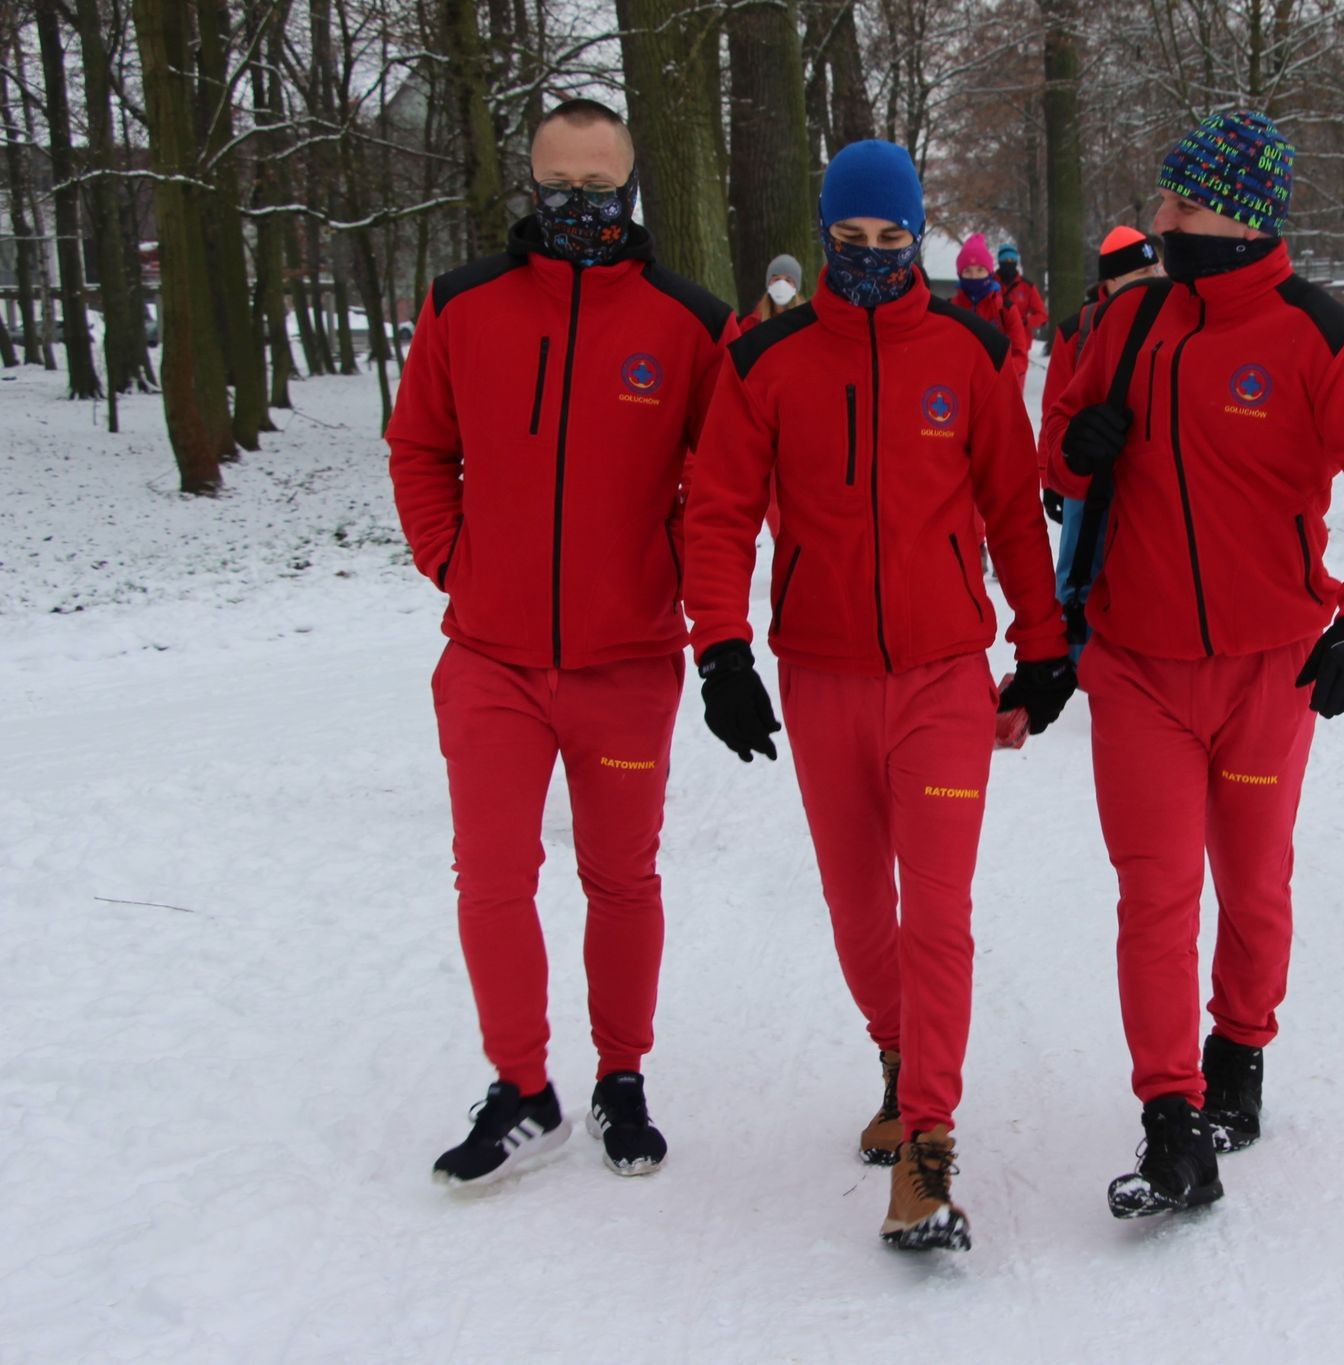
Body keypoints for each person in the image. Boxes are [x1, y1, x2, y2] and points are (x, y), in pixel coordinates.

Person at [683, 139, 1074, 1252]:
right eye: (846, 242)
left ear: (915, 239)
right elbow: (716, 513)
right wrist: (721, 652)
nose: (866, 259)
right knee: (860, 908)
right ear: (823, 237)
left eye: (888, 242)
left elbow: (1009, 509)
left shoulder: (966, 351)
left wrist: (1041, 652)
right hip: (821, 677)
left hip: (944, 675)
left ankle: (929, 1149)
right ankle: (898, 1064)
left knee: (935, 911)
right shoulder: (769, 361)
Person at [1043, 111, 1344, 1218]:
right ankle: (1170, 1117)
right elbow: (1057, 438)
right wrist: (1074, 451)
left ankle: (1239, 1057)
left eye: (1178, 201)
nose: (1157, 217)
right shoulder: (1130, 319)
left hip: (1268, 670)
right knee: (1153, 893)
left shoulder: (1319, 334)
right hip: (1137, 667)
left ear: (1238, 215)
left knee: (1251, 881)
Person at [387, 98, 738, 1188]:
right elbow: (417, 448)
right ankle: (521, 1088)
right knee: (491, 877)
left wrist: (666, 581)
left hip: (624, 661)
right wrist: (455, 562)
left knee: (621, 877)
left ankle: (620, 1074)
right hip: (489, 656)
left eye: (600, 186)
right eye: (559, 186)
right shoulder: (464, 304)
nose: (579, 205)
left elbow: (719, 487)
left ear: (632, 189)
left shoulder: (690, 321)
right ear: (529, 187)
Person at [1039, 226, 1163, 649]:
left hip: (1145, 476)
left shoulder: (1171, 319)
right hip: (1086, 477)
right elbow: (1055, 406)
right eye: (1140, 270)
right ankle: (1072, 651)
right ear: (1109, 283)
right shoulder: (1079, 330)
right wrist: (1051, 477)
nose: (1154, 275)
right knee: (1079, 566)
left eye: (1155, 265)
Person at [949, 232, 1031, 392]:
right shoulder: (950, 309)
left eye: (980, 270)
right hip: (959, 389)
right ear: (959, 274)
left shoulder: (1005, 309)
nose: (974, 276)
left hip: (998, 388)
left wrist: (998, 375)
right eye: (967, 271)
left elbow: (1020, 355)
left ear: (990, 272)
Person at [740, 254, 806, 333]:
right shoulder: (751, 324)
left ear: (796, 286)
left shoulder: (805, 322)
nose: (781, 284)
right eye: (776, 279)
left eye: (788, 280)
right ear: (768, 283)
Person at [996, 241, 1049, 338]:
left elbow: (1042, 316)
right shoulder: (989, 283)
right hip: (993, 339)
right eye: (1005, 260)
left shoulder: (1027, 287)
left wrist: (1025, 321)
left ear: (1016, 262)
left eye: (1012, 259)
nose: (1009, 262)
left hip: (1019, 341)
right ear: (999, 261)